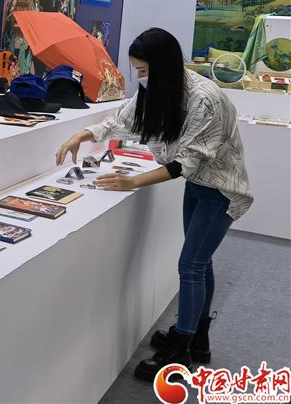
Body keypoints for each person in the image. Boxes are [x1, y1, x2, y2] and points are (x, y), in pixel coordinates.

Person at [56, 28, 253, 382]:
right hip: (198, 185)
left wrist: (132, 181)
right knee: (201, 262)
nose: (140, 78)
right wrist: (81, 136)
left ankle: (181, 348)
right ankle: (198, 338)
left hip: (221, 188)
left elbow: (185, 163)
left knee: (190, 265)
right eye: (137, 70)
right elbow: (123, 119)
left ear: (163, 66)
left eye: (144, 71)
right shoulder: (162, 88)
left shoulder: (204, 98)